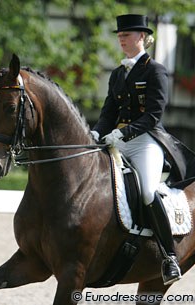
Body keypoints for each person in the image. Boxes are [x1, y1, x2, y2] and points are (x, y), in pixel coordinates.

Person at [91, 14, 182, 285]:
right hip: (118, 141)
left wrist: (124, 132)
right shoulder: (118, 73)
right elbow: (109, 111)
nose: (121, 38)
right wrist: (97, 131)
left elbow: (154, 114)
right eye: (119, 34)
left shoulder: (155, 70)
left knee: (146, 192)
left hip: (146, 141)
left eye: (126, 34)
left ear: (141, 37)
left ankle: (169, 257)